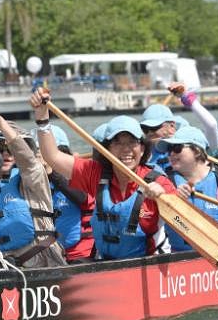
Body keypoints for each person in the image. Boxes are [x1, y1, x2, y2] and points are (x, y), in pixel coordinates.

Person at [31, 90, 175, 260]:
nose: (126, 149)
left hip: (150, 267)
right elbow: (52, 157)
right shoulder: (96, 174)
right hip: (107, 266)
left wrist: (165, 198)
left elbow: (183, 222)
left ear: (142, 148)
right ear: (107, 150)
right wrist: (42, 117)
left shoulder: (159, 182)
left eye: (132, 142)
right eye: (118, 143)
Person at [0, 105, 66, 268]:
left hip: (41, 261)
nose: (6, 154)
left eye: (10, 149)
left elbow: (27, 160)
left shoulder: (33, 177)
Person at [44, 125, 95, 261]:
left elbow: (81, 197)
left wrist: (52, 172)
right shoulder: (40, 182)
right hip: (53, 256)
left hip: (83, 254)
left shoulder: (83, 175)